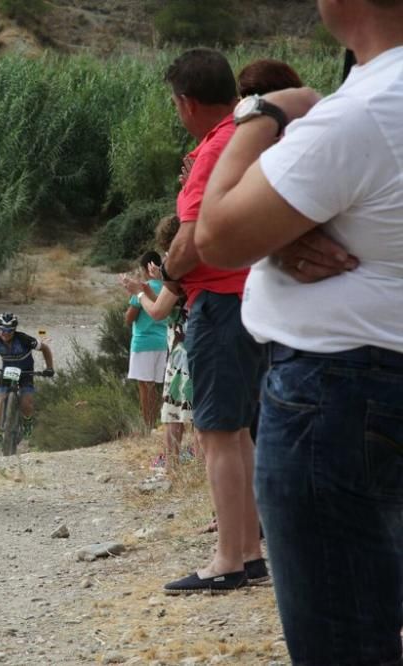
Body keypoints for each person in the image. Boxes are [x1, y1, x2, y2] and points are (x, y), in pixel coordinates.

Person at [196, 2, 403, 660]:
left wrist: (267, 113)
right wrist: (280, 234)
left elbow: (218, 234)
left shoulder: (367, 107)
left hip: (340, 397)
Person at [158, 48, 265, 595]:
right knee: (238, 430)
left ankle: (228, 557)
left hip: (218, 301)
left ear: (187, 101)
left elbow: (193, 237)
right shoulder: (241, 135)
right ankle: (247, 549)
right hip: (245, 298)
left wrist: (168, 274)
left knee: (216, 432)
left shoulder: (214, 150)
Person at [123, 216, 193, 472]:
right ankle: (182, 458)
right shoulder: (201, 259)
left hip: (179, 346)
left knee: (174, 406)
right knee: (185, 406)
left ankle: (174, 463)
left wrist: (138, 293)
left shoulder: (181, 266)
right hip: (179, 343)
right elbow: (170, 300)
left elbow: (157, 311)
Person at [0, 313, 54, 451]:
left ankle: (28, 423)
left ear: (14, 330)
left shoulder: (24, 339)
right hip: (7, 371)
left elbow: (45, 348)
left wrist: (49, 368)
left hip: (26, 372)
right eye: (2, 329)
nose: (5, 333)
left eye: (9, 330)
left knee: (26, 401)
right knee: (1, 401)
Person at [122, 252, 169, 433]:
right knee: (155, 386)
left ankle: (146, 426)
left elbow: (129, 318)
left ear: (144, 269)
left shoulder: (143, 288)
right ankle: (155, 421)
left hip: (143, 342)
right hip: (162, 342)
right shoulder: (167, 288)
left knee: (144, 385)